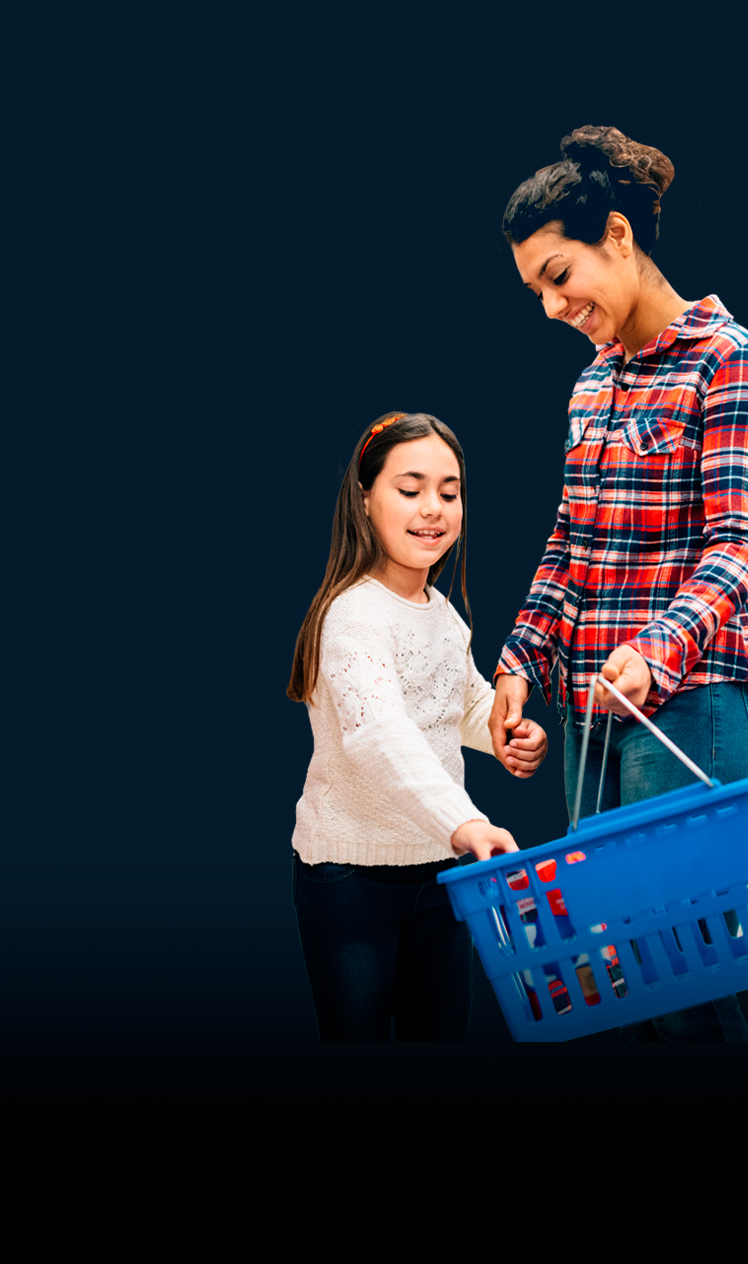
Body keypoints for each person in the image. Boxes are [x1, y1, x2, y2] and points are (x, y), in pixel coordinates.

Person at [489, 126, 748, 1044]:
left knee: (676, 974)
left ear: (616, 235)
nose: (550, 306)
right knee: (626, 987)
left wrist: (657, 649)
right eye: (535, 289)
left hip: (700, 702)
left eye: (557, 274)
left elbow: (740, 545)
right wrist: (517, 660)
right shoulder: (590, 390)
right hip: (598, 719)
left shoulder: (733, 359)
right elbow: (569, 542)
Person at [287, 411, 548, 1041]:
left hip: (440, 872)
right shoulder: (352, 617)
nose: (432, 508)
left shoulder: (444, 615)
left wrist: (504, 732)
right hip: (350, 880)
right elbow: (382, 734)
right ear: (365, 499)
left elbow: (453, 705)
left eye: (449, 492)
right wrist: (468, 823)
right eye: (410, 490)